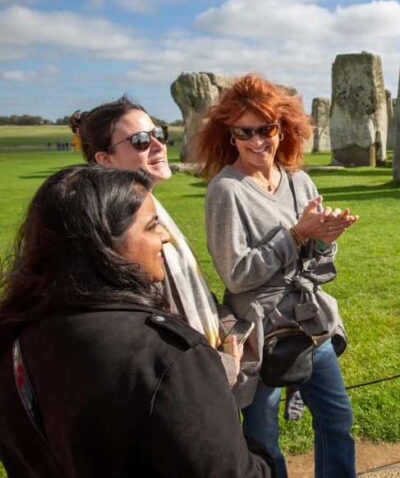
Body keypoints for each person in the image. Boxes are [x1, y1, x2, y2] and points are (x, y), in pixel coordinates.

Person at [0, 165, 273, 477]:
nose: (166, 236)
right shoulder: (167, 355)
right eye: (152, 225)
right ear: (105, 242)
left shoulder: (15, 337)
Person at [195, 73, 358, 478]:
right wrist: (298, 233)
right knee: (263, 439)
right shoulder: (226, 190)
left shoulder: (299, 180)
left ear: (282, 128)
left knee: (337, 420)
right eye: (244, 132)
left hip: (309, 322)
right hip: (260, 335)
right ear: (229, 135)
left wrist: (324, 240)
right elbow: (237, 275)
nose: (257, 141)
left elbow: (315, 265)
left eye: (266, 129)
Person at [69, 99, 241, 384]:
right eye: (139, 141)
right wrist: (215, 368)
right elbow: (147, 322)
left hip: (200, 369)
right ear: (104, 159)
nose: (159, 146)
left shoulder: (148, 205)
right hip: (178, 381)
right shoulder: (120, 228)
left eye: (157, 135)